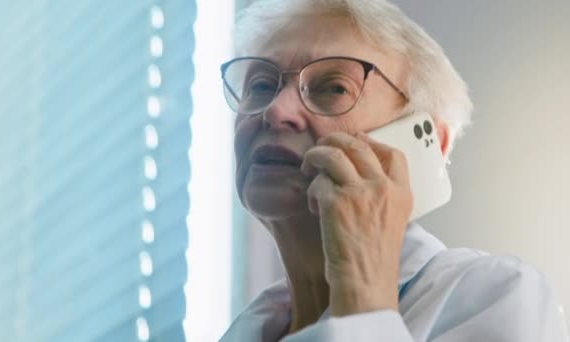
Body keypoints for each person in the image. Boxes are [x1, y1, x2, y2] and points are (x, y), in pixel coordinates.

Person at [219, 0, 569, 340]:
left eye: (334, 87)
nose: (276, 111)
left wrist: (363, 296)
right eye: (261, 86)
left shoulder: (499, 295)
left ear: (428, 144)